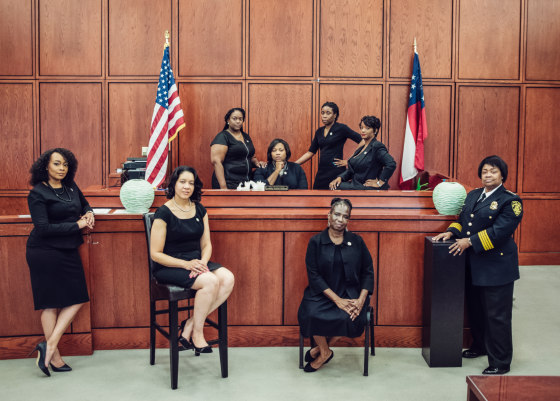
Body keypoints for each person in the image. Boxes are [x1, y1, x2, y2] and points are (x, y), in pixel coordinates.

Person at [432, 155, 523, 375]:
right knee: (476, 311)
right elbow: (463, 220)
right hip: (473, 266)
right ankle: (480, 346)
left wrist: (469, 241)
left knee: (497, 316)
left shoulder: (511, 201)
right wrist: (451, 232)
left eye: (493, 171)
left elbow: (500, 232)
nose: (488, 175)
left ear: (502, 174)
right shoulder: (473, 195)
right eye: (484, 171)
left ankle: (500, 362)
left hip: (497, 267)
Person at [150, 166, 235, 355]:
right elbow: (155, 254)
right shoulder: (163, 213)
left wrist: (203, 262)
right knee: (211, 281)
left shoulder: (199, 209)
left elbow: (207, 245)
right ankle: (197, 334)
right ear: (173, 184)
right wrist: (186, 264)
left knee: (228, 278)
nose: (187, 187)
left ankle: (189, 324)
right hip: (170, 265)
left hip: (197, 262)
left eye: (191, 183)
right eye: (182, 182)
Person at [26, 148, 94, 377]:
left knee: (77, 298)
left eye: (65, 164)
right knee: (50, 304)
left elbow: (84, 204)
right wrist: (78, 225)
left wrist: (89, 213)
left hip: (68, 249)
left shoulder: (71, 187)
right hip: (44, 251)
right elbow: (43, 229)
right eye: (57, 164)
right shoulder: (37, 193)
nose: (62, 168)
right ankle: (53, 356)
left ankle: (49, 345)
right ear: (46, 166)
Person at [298, 198, 374, 372]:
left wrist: (361, 300)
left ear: (348, 220)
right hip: (322, 294)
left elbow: (368, 271)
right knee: (310, 313)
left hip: (352, 293)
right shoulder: (315, 242)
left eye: (345, 216)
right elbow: (314, 275)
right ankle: (325, 352)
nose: (340, 219)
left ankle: (319, 349)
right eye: (337, 214)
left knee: (350, 316)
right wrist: (337, 300)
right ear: (329, 215)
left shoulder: (357, 241)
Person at [294, 102, 362, 189]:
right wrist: (294, 164)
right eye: (322, 113)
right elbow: (310, 152)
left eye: (328, 113)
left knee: (336, 200)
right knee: (317, 199)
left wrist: (350, 161)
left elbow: (363, 141)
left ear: (335, 115)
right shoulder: (319, 131)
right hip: (322, 172)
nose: (324, 116)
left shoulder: (342, 128)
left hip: (336, 171)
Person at [329, 115, 396, 190]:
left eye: (367, 128)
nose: (363, 131)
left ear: (375, 130)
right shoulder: (361, 148)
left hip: (365, 186)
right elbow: (352, 169)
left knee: (336, 188)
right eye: (361, 128)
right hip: (355, 184)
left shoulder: (376, 146)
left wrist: (379, 183)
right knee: (334, 185)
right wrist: (340, 178)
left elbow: (391, 164)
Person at [210, 107, 265, 189]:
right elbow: (216, 162)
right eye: (234, 118)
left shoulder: (246, 136)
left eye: (240, 119)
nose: (238, 121)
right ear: (228, 120)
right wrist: (223, 187)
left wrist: (257, 163)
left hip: (245, 184)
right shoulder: (223, 136)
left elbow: (250, 157)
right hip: (228, 184)